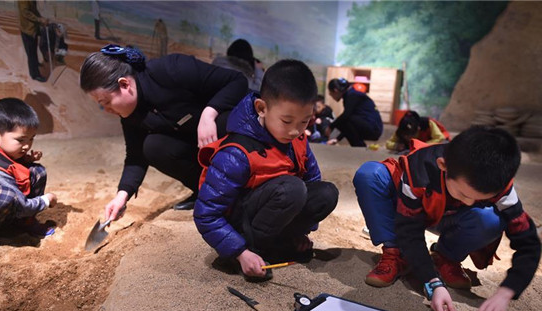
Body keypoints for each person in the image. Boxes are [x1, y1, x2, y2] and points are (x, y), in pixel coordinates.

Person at [352, 127, 541, 311]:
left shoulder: (500, 185)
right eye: (463, 192)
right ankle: (395, 253)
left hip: (453, 219)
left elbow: (529, 244)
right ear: (443, 166)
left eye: (479, 198)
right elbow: (409, 230)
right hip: (413, 210)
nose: (469, 201)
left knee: (492, 219)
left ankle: (446, 256)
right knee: (369, 175)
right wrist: (432, 283)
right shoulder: (419, 168)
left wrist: (506, 292)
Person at [194, 59, 339, 281]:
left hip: (276, 211)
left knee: (326, 193)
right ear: (261, 108)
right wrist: (240, 252)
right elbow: (206, 214)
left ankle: (282, 243)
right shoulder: (236, 153)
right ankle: (254, 251)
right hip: (242, 227)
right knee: (293, 189)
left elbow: (313, 180)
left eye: (304, 122)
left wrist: (300, 233)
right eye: (286, 121)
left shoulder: (298, 139)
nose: (295, 131)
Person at [79, 44, 248, 219]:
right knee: (153, 147)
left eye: (105, 101)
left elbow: (237, 81)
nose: (106, 109)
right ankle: (207, 191)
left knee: (222, 121)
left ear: (124, 84)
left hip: (238, 127)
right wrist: (122, 196)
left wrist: (210, 113)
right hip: (198, 143)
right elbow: (136, 156)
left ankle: (249, 184)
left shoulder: (170, 69)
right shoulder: (130, 115)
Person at [0, 98, 57, 245]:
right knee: (5, 194)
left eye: (31, 139)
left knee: (37, 171)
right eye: (21, 140)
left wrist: (25, 159)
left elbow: (7, 161)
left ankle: (24, 222)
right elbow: (21, 204)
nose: (27, 146)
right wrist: (45, 200)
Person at [325, 78, 383, 147]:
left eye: (331, 94)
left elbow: (346, 117)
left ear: (335, 91)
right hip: (372, 126)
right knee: (344, 120)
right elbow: (349, 125)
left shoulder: (352, 95)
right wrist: (337, 139)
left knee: (344, 120)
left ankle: (359, 146)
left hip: (373, 128)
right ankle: (359, 146)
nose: (332, 96)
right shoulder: (351, 94)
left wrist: (331, 127)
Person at [386, 110, 451, 152]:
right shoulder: (401, 130)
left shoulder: (428, 123)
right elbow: (388, 143)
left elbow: (440, 137)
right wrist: (396, 146)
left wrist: (422, 146)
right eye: (405, 135)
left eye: (410, 135)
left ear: (418, 129)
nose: (407, 138)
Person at [17, 0, 48, 82]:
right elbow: (25, 12)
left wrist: (41, 19)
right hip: (27, 30)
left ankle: (35, 63)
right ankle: (35, 74)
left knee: (33, 50)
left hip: (32, 29)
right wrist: (39, 19)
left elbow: (34, 10)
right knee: (31, 53)